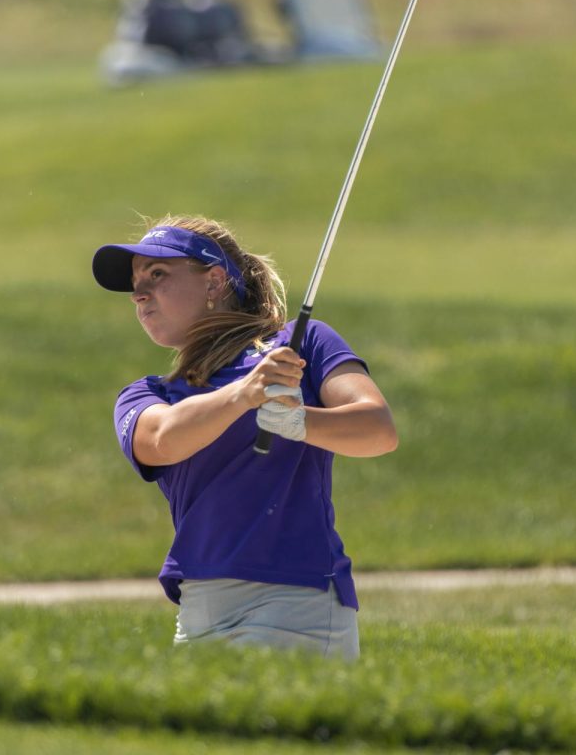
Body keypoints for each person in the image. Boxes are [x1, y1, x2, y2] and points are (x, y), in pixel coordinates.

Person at [91, 214, 397, 659]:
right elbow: (161, 440)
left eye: (157, 275)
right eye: (137, 282)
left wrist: (300, 422)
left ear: (214, 281)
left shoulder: (301, 344)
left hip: (298, 598)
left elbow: (378, 429)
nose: (139, 293)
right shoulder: (148, 394)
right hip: (198, 607)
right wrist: (244, 395)